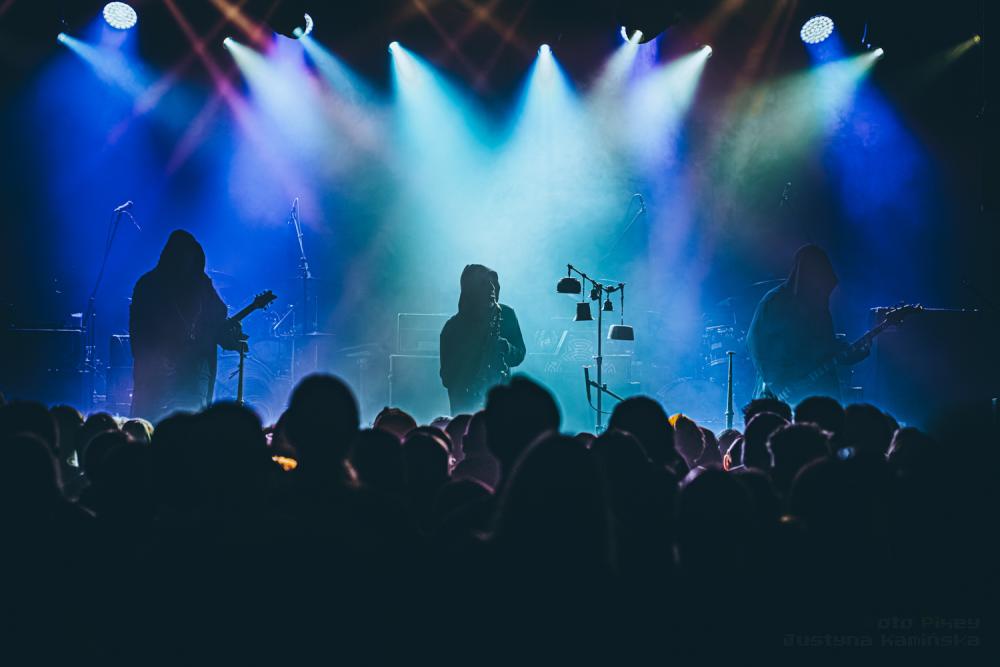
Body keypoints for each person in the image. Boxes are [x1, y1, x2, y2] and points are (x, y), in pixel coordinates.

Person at [129, 230, 244, 421]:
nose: (186, 263)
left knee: (190, 424)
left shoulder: (200, 284)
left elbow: (217, 321)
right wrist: (155, 359)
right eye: (181, 257)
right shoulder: (149, 285)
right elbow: (139, 332)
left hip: (192, 376)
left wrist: (232, 336)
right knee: (155, 422)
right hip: (158, 378)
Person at [747, 245, 869, 404]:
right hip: (783, 394)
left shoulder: (818, 308)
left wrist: (853, 353)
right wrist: (777, 382)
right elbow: (756, 343)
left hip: (819, 393)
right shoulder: (776, 301)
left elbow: (826, 350)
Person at [439, 264, 526, 415]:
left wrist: (507, 348)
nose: (493, 287)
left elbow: (520, 354)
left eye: (494, 282)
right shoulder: (452, 327)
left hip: (500, 400)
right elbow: (446, 377)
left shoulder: (506, 314)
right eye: (485, 283)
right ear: (471, 289)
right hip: (465, 405)